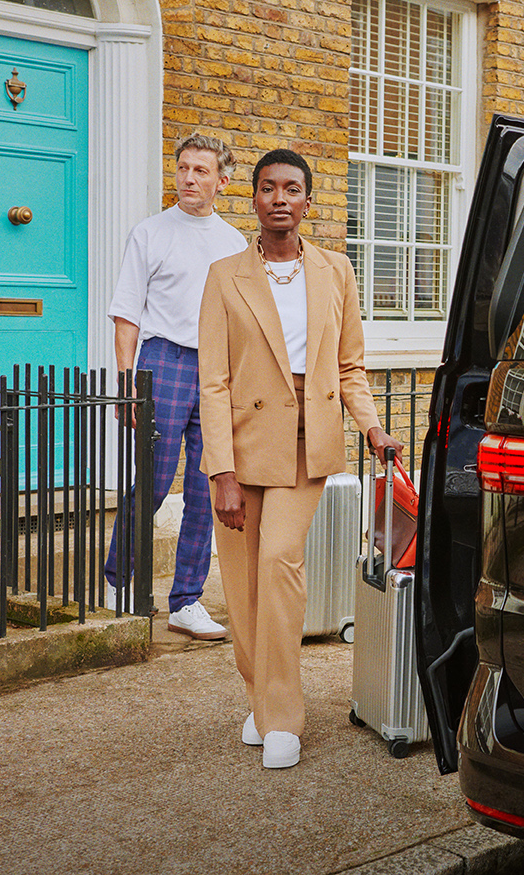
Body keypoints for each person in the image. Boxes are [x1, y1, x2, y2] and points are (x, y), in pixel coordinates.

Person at [199, 148, 403, 768]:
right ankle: (262, 699)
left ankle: (284, 717)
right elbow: (213, 381)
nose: (279, 198)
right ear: (254, 199)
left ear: (308, 201)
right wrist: (222, 472)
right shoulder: (224, 275)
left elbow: (349, 366)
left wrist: (373, 430)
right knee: (242, 586)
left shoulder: (336, 271)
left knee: (279, 565)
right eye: (268, 188)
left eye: (292, 188)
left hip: (305, 447)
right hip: (242, 448)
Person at [102, 133, 248, 639]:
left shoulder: (234, 244)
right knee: (155, 480)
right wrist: (127, 384)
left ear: (222, 182)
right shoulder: (150, 232)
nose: (188, 178)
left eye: (201, 171)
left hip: (216, 371)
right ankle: (118, 583)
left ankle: (186, 600)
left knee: (207, 489)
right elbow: (126, 315)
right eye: (183, 168)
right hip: (162, 361)